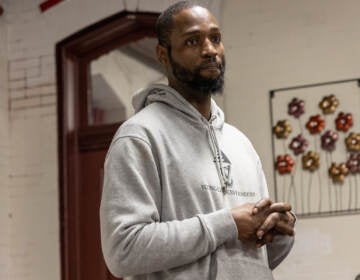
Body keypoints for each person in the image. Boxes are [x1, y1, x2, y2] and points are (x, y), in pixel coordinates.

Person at [100, 1, 296, 279]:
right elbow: (123, 250)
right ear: (163, 54)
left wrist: (276, 230)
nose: (210, 50)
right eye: (193, 41)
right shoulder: (139, 137)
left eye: (215, 38)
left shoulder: (240, 143)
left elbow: (259, 256)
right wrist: (227, 223)